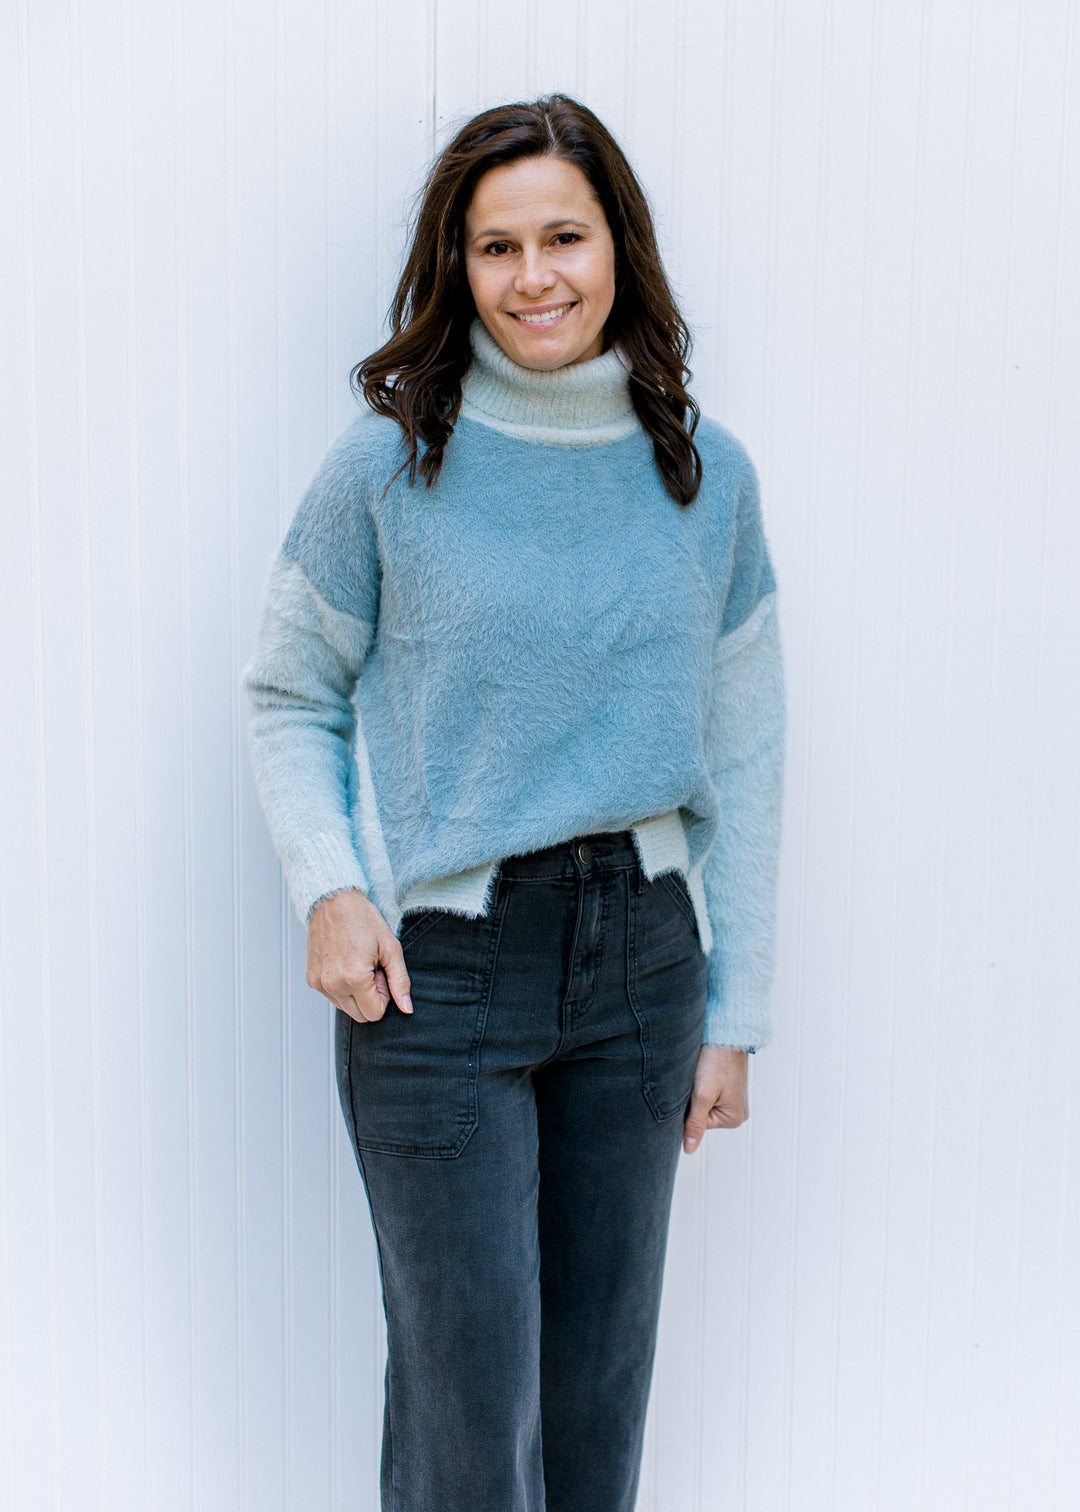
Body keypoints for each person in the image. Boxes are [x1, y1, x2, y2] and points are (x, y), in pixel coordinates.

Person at [243, 93, 784, 1512]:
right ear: (456, 265)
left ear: (621, 247)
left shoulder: (706, 478)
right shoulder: (389, 464)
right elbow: (288, 691)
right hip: (445, 981)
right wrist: (329, 883)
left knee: (597, 1421)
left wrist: (733, 1015)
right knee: (469, 1429)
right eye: (496, 247)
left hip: (645, 966)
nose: (535, 276)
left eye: (564, 235)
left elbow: (746, 753)